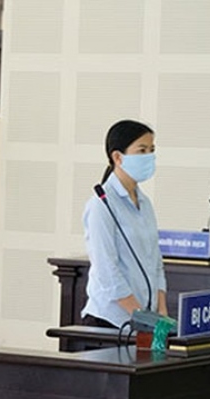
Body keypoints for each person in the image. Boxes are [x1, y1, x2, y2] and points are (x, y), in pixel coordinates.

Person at [81, 120, 168, 329]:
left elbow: (155, 261)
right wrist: (139, 314)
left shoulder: (145, 203)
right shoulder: (101, 204)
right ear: (118, 157)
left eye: (152, 150)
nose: (149, 156)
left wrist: (161, 310)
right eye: (142, 150)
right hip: (110, 320)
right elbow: (106, 269)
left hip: (144, 320)